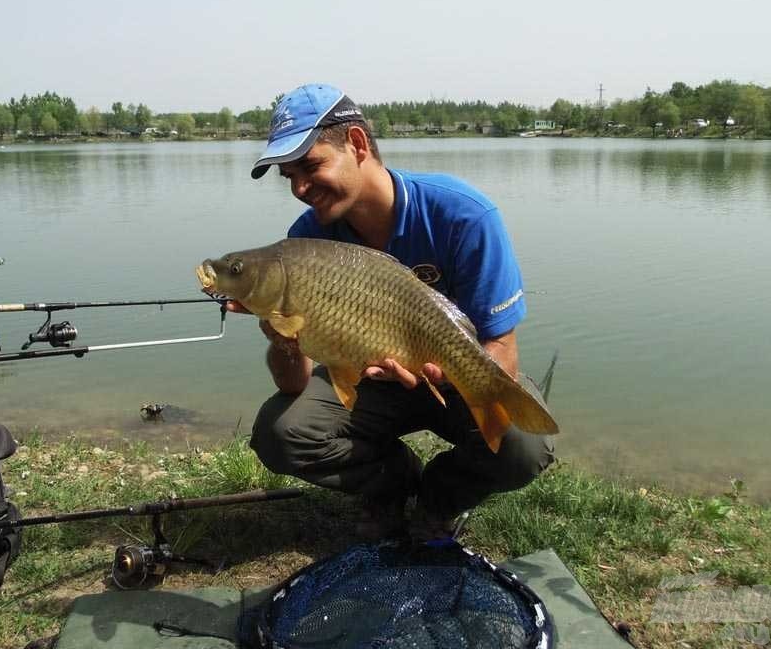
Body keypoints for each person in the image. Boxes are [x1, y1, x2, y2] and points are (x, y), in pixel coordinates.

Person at [233, 83, 554, 540]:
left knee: (523, 446)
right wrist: (281, 340)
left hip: (450, 373)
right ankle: (391, 485)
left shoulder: (464, 214)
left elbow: (500, 345)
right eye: (289, 176)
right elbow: (294, 384)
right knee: (281, 432)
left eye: (310, 165)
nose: (301, 188)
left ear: (358, 145)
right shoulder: (307, 241)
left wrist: (447, 376)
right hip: (365, 383)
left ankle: (438, 499)